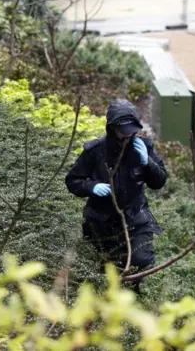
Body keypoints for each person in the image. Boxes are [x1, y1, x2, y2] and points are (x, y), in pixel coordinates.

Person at [65, 99, 167, 291]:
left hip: (135, 217)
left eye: (132, 132)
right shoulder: (95, 151)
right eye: (123, 133)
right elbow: (72, 181)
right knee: (104, 269)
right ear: (112, 129)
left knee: (141, 259)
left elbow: (159, 182)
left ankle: (136, 297)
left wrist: (147, 163)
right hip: (100, 221)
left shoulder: (145, 147)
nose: (127, 137)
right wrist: (91, 186)